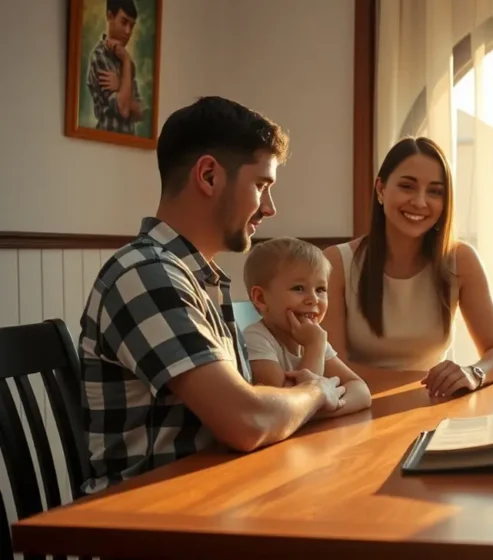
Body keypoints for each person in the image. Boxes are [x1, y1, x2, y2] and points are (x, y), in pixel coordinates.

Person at [78, 96, 344, 494]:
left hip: (212, 496)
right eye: (261, 185)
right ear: (208, 176)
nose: (270, 208)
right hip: (151, 514)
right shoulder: (147, 275)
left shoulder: (191, 277)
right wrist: (316, 391)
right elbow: (246, 421)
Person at [322, 137, 493, 397]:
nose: (420, 202)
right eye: (407, 186)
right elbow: (332, 368)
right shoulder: (335, 263)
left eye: (435, 191)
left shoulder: (461, 260)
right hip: (356, 406)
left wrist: (474, 373)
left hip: (431, 405)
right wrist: (424, 380)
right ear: (381, 189)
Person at [241, 237, 372, 417]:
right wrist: (313, 348)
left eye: (320, 289)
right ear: (261, 298)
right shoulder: (256, 338)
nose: (313, 299)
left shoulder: (314, 338)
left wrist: (328, 408)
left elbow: (361, 391)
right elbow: (282, 409)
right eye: (298, 288)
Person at [86, 0, 143, 134]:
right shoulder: (99, 56)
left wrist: (120, 85)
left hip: (129, 141)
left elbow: (140, 113)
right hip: (105, 139)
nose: (128, 32)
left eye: (132, 26)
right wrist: (126, 62)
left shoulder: (127, 61)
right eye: (124, 22)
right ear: (110, 16)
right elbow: (123, 109)